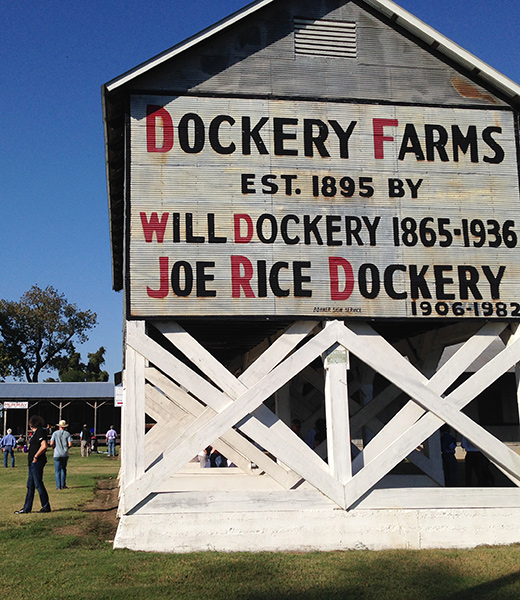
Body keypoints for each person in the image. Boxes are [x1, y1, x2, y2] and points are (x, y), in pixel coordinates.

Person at [14, 415, 51, 514]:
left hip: (37, 462)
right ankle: (26, 508)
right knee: (30, 485)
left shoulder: (40, 432)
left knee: (38, 484)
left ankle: (46, 506)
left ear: (32, 424)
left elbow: (44, 446)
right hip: (32, 462)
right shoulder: (34, 434)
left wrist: (36, 456)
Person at [50, 420, 73, 490]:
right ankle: (63, 484)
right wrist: (66, 448)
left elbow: (51, 443)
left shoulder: (55, 433)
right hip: (65, 454)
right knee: (63, 469)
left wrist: (53, 448)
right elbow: (70, 444)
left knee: (57, 471)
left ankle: (58, 486)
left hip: (57, 453)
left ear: (59, 426)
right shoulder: (67, 434)